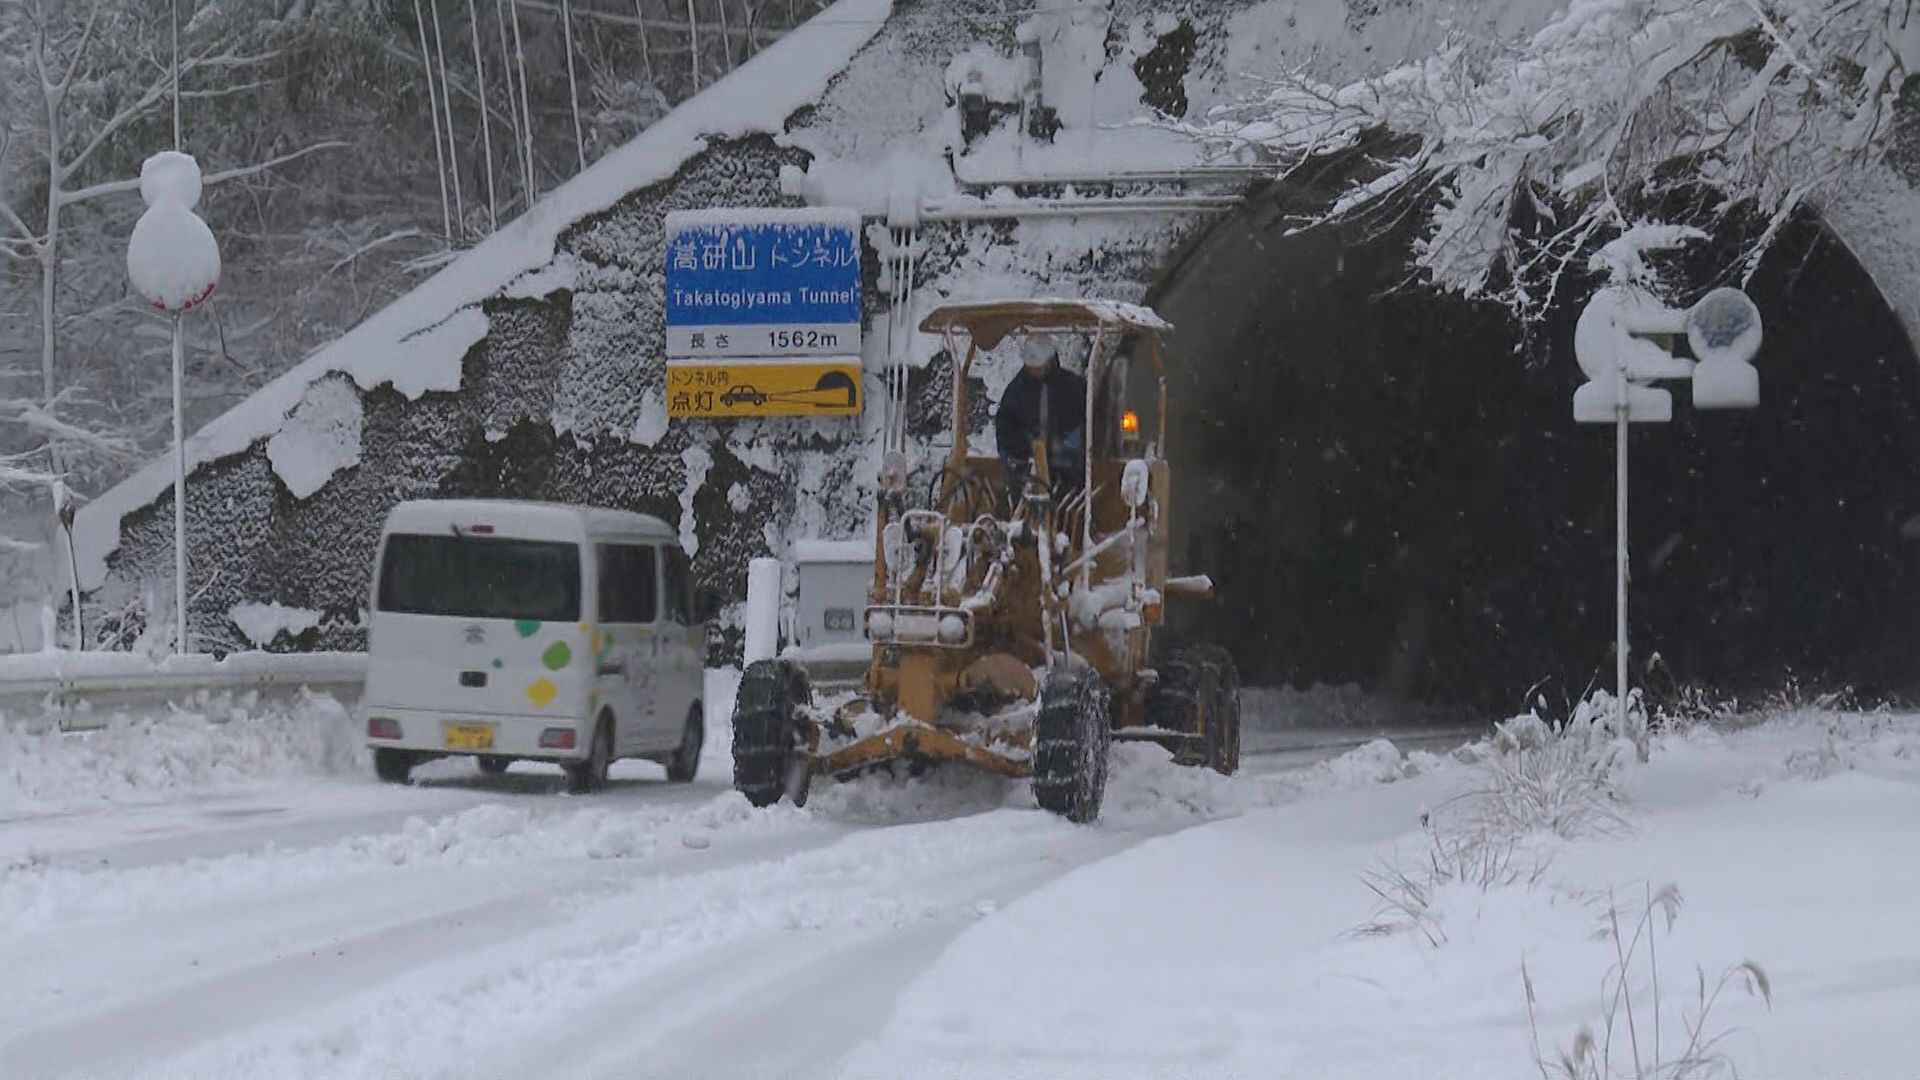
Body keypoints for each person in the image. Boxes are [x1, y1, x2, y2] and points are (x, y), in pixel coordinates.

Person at [994, 335, 1087, 499]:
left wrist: (1072, 446)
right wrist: (1010, 453)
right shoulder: (1016, 390)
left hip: (1066, 467)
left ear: (1049, 361)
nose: (1035, 370)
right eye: (1032, 367)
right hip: (1027, 466)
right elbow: (1005, 424)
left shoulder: (1072, 387)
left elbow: (1085, 420)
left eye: (1038, 366)